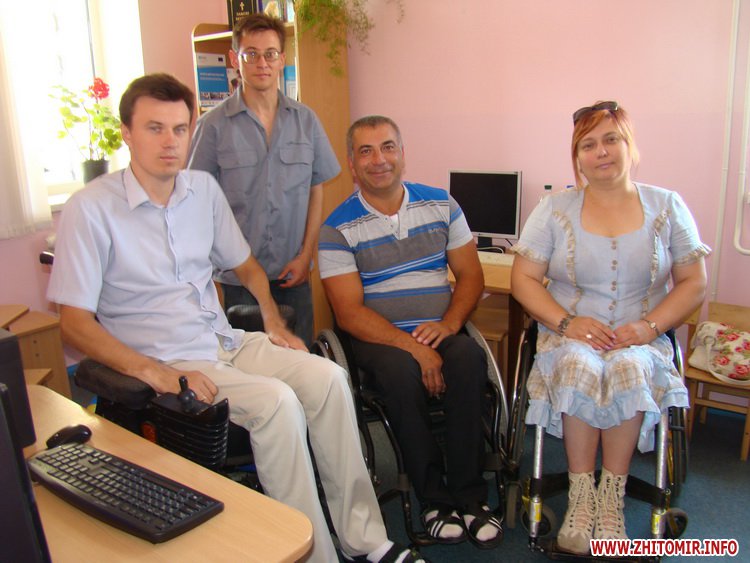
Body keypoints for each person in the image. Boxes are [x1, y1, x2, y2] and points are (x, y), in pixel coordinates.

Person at [46, 74, 423, 563]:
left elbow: (246, 266)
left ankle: (365, 540)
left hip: (224, 340)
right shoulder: (91, 209)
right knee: (277, 403)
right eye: (155, 128)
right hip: (169, 359)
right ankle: (310, 554)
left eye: (180, 129)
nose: (170, 142)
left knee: (330, 378)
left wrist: (273, 321)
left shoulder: (201, 190)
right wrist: (153, 371)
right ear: (127, 133)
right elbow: (74, 323)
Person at [511, 101, 709, 555]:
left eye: (611, 139)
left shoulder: (667, 205)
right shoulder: (553, 209)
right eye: (588, 144)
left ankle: (611, 500)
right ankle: (582, 496)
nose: (601, 152)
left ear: (629, 145)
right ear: (577, 157)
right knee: (579, 364)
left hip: (641, 337)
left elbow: (694, 282)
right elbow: (523, 279)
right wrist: (567, 322)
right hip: (569, 334)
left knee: (629, 369)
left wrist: (649, 327)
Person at [318, 115, 503, 549]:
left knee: (468, 358)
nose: (378, 159)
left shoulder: (442, 205)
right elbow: (348, 313)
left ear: (402, 153)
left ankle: (470, 497)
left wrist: (448, 326)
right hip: (378, 339)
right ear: (352, 164)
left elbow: (471, 277)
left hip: (441, 327)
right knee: (400, 373)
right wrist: (414, 348)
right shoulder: (336, 228)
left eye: (387, 147)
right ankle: (434, 500)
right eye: (365, 151)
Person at [188, 13, 340, 345]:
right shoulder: (212, 127)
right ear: (234, 59)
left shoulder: (306, 121)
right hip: (238, 278)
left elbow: (316, 190)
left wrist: (306, 255)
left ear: (282, 59)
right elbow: (197, 203)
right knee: (251, 364)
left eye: (270, 54)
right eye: (251, 54)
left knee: (301, 361)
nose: (262, 63)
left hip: (293, 273)